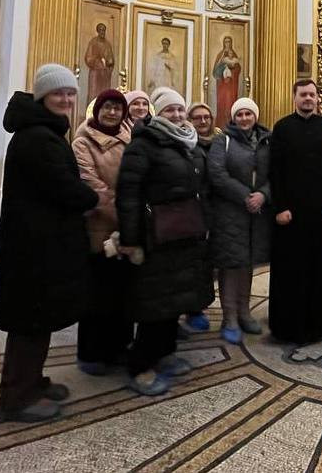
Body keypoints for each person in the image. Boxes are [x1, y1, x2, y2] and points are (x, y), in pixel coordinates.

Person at [0, 64, 98, 422]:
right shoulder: (37, 138)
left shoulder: (43, 130)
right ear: (42, 96)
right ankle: (15, 397)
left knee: (38, 318)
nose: (66, 99)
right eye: (58, 93)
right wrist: (92, 198)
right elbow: (62, 187)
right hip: (32, 247)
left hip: (41, 242)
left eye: (69, 93)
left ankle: (32, 382)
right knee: (29, 321)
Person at [116, 88, 211, 396]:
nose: (177, 115)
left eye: (180, 109)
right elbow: (128, 193)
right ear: (158, 113)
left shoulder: (188, 143)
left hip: (185, 232)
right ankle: (140, 365)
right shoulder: (144, 144)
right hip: (156, 235)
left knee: (176, 299)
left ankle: (165, 352)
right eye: (170, 110)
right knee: (154, 303)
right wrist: (130, 240)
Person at [268, 79, 322, 344]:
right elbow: (275, 171)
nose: (308, 98)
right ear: (295, 98)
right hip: (291, 212)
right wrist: (280, 207)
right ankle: (290, 328)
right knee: (292, 270)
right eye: (303, 94)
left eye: (312, 94)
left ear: (318, 98)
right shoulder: (282, 127)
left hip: (321, 211)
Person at [71, 89, 133, 375]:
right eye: (107, 107)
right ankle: (92, 353)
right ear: (97, 110)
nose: (112, 113)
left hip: (126, 227)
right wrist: (126, 213)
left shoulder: (129, 137)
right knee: (98, 293)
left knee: (123, 291)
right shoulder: (83, 142)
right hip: (99, 226)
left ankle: (120, 348)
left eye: (117, 108)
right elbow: (91, 184)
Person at [209, 97, 273, 343]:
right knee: (230, 263)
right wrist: (245, 195)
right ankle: (230, 317)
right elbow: (216, 173)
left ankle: (244, 313)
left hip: (257, 213)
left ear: (256, 116)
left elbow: (276, 173)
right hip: (230, 211)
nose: (244, 118)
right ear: (233, 117)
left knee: (247, 263)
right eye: (240, 114)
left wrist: (263, 195)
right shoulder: (222, 140)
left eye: (248, 114)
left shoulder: (267, 140)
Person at [183, 101, 220, 334]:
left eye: (206, 117)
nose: (203, 121)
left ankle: (199, 307)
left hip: (214, 209)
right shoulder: (184, 142)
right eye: (197, 117)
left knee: (205, 263)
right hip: (191, 210)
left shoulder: (220, 142)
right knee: (189, 262)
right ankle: (189, 309)